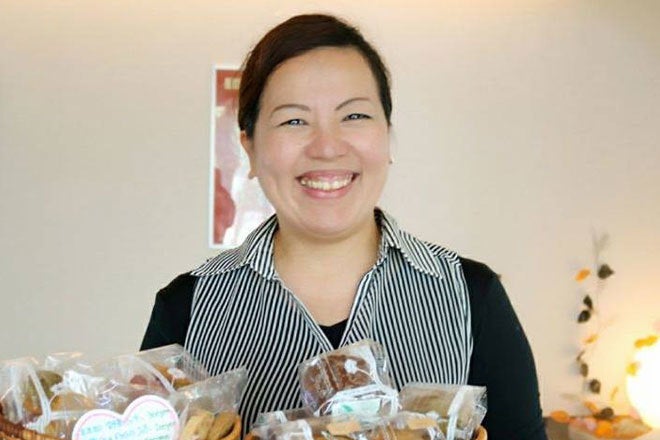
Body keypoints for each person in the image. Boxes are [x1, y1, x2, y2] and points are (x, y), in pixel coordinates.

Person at [141, 14, 547, 439]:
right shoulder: (185, 307)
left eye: (354, 115)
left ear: (387, 135)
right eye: (294, 120)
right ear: (250, 147)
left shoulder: (472, 296)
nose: (327, 147)